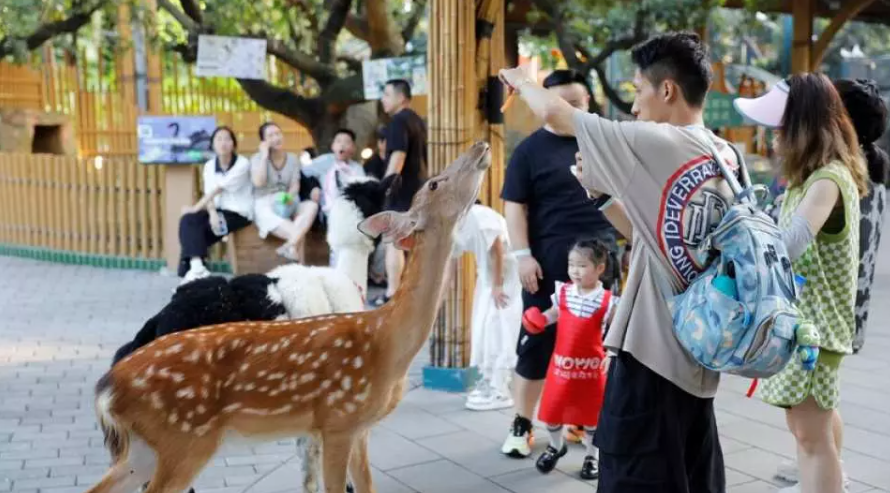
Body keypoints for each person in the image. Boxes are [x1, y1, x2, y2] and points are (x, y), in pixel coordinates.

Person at [500, 32, 735, 492]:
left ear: (666, 90)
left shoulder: (659, 141)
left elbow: (555, 114)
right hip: (699, 358)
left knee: (634, 477)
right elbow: (661, 238)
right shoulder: (725, 154)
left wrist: (517, 76)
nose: (633, 107)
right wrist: (603, 195)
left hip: (652, 357)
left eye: (637, 91)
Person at [734, 74, 867, 493]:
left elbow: (789, 244)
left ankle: (824, 483)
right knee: (816, 425)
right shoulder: (813, 177)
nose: (771, 136)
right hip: (809, 324)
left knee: (810, 435)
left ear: (803, 127)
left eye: (779, 127)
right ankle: (830, 482)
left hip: (817, 329)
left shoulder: (827, 179)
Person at [499, 69, 617, 459]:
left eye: (578, 101)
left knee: (595, 348)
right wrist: (522, 256)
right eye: (560, 101)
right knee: (536, 342)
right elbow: (515, 205)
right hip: (547, 266)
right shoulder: (529, 151)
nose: (569, 108)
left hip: (602, 264)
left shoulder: (603, 142)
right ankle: (522, 422)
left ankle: (581, 419)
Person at [521, 238, 619, 480]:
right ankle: (556, 446)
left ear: (600, 268)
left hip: (593, 370)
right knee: (553, 411)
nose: (575, 270)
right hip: (561, 368)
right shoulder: (563, 292)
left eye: (582, 265)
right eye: (571, 264)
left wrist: (613, 353)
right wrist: (540, 320)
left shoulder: (608, 300)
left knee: (592, 417)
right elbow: (554, 313)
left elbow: (617, 329)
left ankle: (592, 456)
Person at [452, 202, 522, 412]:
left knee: (498, 329)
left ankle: (500, 389)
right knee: (483, 329)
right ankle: (491, 381)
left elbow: (497, 248)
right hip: (489, 278)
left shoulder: (479, 216)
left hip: (504, 277)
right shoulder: (458, 220)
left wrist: (498, 285)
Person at [373, 79, 427, 306]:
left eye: (386, 94)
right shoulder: (418, 121)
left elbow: (398, 156)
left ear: (401, 97)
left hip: (401, 190)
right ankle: (408, 292)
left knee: (393, 242)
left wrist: (385, 187)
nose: (383, 99)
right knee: (409, 244)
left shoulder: (397, 121)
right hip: (418, 189)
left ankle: (392, 293)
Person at [178, 126, 253, 284]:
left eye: (227, 139)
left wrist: (196, 208)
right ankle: (197, 267)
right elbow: (209, 193)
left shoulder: (242, 164)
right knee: (188, 220)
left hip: (238, 213)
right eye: (218, 139)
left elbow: (219, 188)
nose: (223, 143)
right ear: (212, 144)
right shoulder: (209, 166)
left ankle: (192, 271)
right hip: (217, 210)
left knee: (197, 232)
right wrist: (211, 213)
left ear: (233, 143)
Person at [250, 122, 321, 262]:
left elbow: (295, 185)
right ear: (263, 141)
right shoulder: (257, 159)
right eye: (270, 135)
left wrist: (289, 197)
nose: (276, 138)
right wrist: (264, 156)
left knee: (311, 206)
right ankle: (296, 258)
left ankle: (289, 246)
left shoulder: (293, 159)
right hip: (265, 204)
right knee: (297, 233)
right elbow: (259, 182)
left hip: (287, 200)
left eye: (278, 133)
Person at [302, 128, 366, 216]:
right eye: (338, 141)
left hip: (351, 211)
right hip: (327, 211)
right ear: (333, 146)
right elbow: (302, 173)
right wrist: (313, 187)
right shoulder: (324, 161)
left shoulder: (357, 168)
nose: (342, 145)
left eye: (347, 142)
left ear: (353, 148)